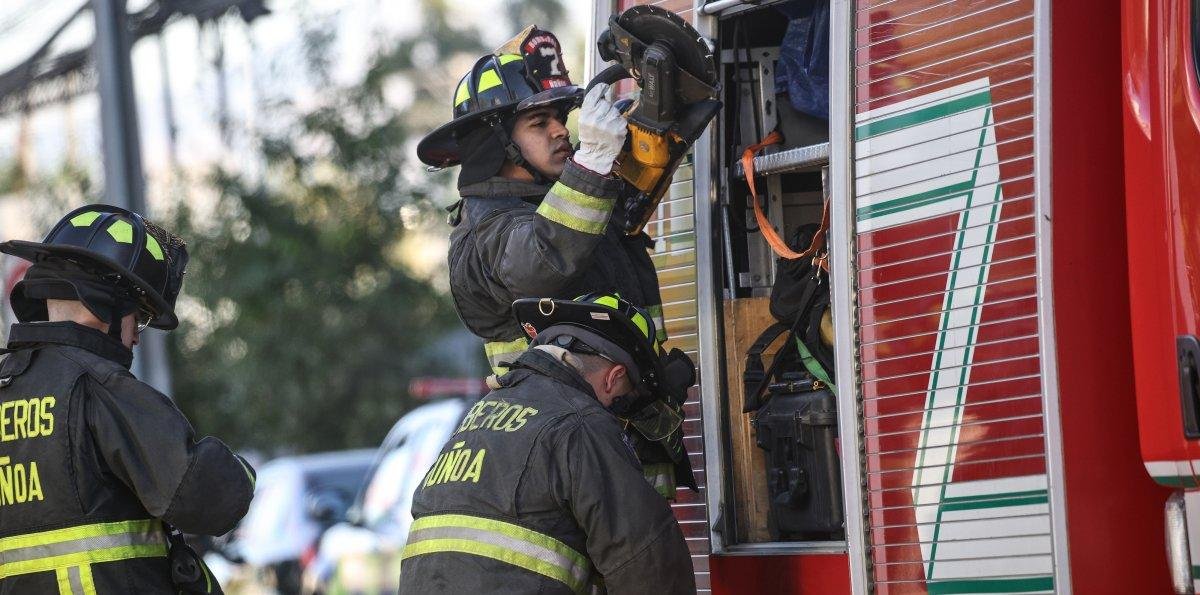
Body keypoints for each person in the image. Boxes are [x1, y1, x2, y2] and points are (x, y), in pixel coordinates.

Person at [417, 25, 694, 498]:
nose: (560, 130)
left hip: (617, 445)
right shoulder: (489, 225)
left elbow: (609, 212)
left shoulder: (561, 202)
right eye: (538, 122)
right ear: (496, 142)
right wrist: (592, 163)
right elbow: (542, 262)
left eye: (560, 117)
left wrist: (660, 99)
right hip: (564, 457)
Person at [0, 204, 255, 594]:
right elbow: (204, 500)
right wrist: (242, 473)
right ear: (105, 307)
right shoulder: (102, 389)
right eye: (138, 318)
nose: (136, 336)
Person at [399, 293, 695, 595]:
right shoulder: (582, 423)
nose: (617, 415)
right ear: (614, 378)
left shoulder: (478, 417)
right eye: (622, 401)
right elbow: (649, 568)